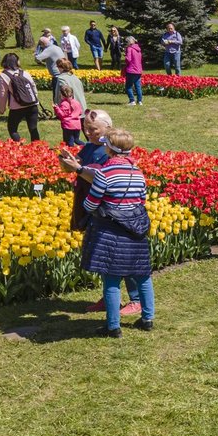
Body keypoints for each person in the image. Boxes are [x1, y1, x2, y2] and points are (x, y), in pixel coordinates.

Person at [59, 109, 144, 316]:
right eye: (86, 129)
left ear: (108, 127)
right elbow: (73, 169)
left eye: (93, 129)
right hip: (92, 205)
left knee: (122, 255)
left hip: (111, 209)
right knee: (104, 255)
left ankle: (136, 300)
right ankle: (109, 297)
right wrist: (67, 162)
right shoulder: (88, 147)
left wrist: (78, 169)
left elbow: (102, 179)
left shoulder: (111, 152)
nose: (88, 133)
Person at [76, 128, 156, 337]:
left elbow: (90, 204)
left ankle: (113, 326)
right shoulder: (137, 173)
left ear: (109, 149)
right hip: (136, 231)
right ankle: (148, 318)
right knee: (143, 276)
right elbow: (141, 200)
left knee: (111, 279)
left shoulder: (104, 173)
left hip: (110, 230)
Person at [0, 53, 40, 142]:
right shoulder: (24, 73)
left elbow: (2, 94)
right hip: (32, 104)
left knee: (12, 129)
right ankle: (38, 148)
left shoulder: (4, 75)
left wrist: (2, 109)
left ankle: (20, 146)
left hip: (17, 106)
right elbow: (33, 87)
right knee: (33, 128)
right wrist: (34, 99)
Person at [123, 36, 143, 106]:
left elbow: (128, 59)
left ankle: (132, 101)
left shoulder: (129, 48)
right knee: (138, 86)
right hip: (138, 70)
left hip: (131, 70)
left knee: (128, 86)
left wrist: (125, 57)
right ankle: (139, 101)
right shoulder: (138, 49)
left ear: (128, 42)